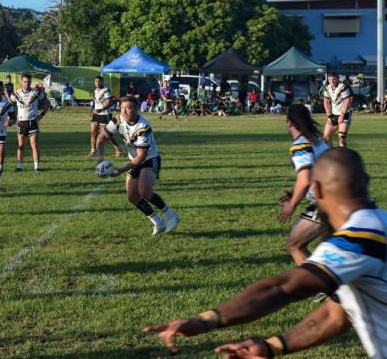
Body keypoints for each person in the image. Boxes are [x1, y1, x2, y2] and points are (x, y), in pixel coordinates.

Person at [144, 148, 386, 359]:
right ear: (366, 180)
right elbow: (336, 315)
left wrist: (208, 319)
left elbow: (283, 287)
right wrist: (271, 347)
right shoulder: (378, 225)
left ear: (318, 190)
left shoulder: (358, 238)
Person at [95, 96, 179, 235]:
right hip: (134, 160)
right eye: (122, 108)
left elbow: (141, 156)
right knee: (132, 196)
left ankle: (171, 215)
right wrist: (100, 159)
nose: (124, 112)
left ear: (137, 108)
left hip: (149, 159)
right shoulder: (118, 119)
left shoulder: (143, 127)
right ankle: (157, 222)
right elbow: (101, 137)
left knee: (144, 191)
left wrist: (121, 170)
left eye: (128, 108)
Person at [277, 104, 329, 269]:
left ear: (289, 123)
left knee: (294, 244)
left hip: (325, 203)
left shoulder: (300, 145)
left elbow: (305, 179)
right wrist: (295, 193)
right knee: (328, 251)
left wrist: (292, 205)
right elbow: (316, 175)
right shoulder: (318, 141)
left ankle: (325, 289)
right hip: (340, 199)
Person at [9, 73, 50, 172]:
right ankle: (19, 167)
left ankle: (37, 167)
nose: (27, 83)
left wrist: (41, 115)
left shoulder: (36, 93)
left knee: (34, 144)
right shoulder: (16, 94)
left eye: (28, 81)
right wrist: (13, 116)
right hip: (21, 123)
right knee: (21, 146)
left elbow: (47, 103)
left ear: (31, 82)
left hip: (33, 122)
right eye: (25, 81)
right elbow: (9, 105)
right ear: (21, 82)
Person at [88, 76, 122, 158]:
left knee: (106, 134)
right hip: (96, 114)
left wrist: (101, 109)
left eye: (99, 81)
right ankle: (93, 151)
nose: (97, 83)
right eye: (96, 81)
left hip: (105, 114)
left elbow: (109, 102)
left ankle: (118, 147)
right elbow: (95, 102)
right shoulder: (95, 90)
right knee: (93, 132)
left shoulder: (106, 90)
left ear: (102, 82)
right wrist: (92, 110)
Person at [322, 72, 353, 148]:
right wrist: (329, 115)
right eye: (330, 79)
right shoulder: (327, 88)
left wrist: (342, 115)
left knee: (341, 137)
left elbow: (347, 100)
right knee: (326, 137)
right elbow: (326, 101)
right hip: (333, 114)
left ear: (337, 79)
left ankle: (343, 157)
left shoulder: (342, 87)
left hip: (344, 114)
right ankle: (332, 155)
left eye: (334, 79)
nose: (332, 81)